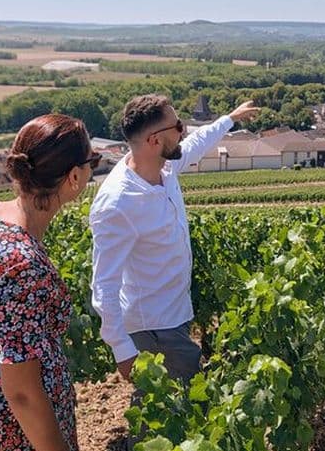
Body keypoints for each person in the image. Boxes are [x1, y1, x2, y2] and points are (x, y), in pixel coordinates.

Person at [0, 114, 100, 451]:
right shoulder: (20, 262)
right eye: (90, 164)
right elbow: (21, 392)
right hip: (18, 437)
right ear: (74, 178)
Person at [89, 95, 258, 383]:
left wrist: (230, 119)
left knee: (172, 400)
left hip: (175, 312)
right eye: (178, 126)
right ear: (154, 140)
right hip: (154, 326)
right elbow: (104, 285)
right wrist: (122, 350)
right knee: (187, 396)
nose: (184, 131)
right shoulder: (118, 203)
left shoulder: (163, 167)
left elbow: (195, 144)